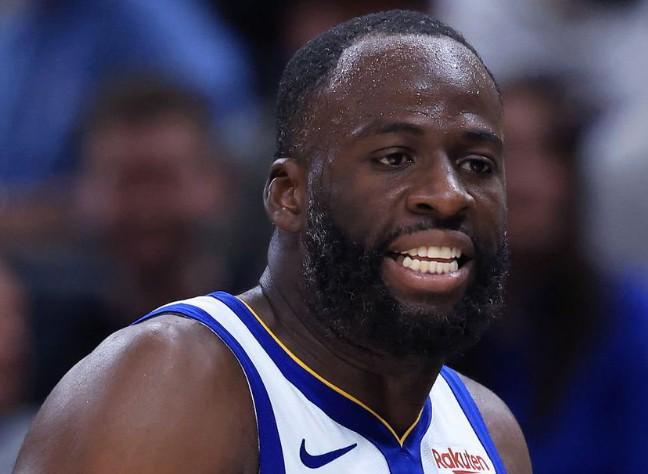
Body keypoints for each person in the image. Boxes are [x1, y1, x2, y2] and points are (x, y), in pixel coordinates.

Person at [15, 11, 532, 473]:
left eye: (477, 165)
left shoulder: (491, 434)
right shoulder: (168, 390)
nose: (448, 195)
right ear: (290, 196)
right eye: (395, 158)